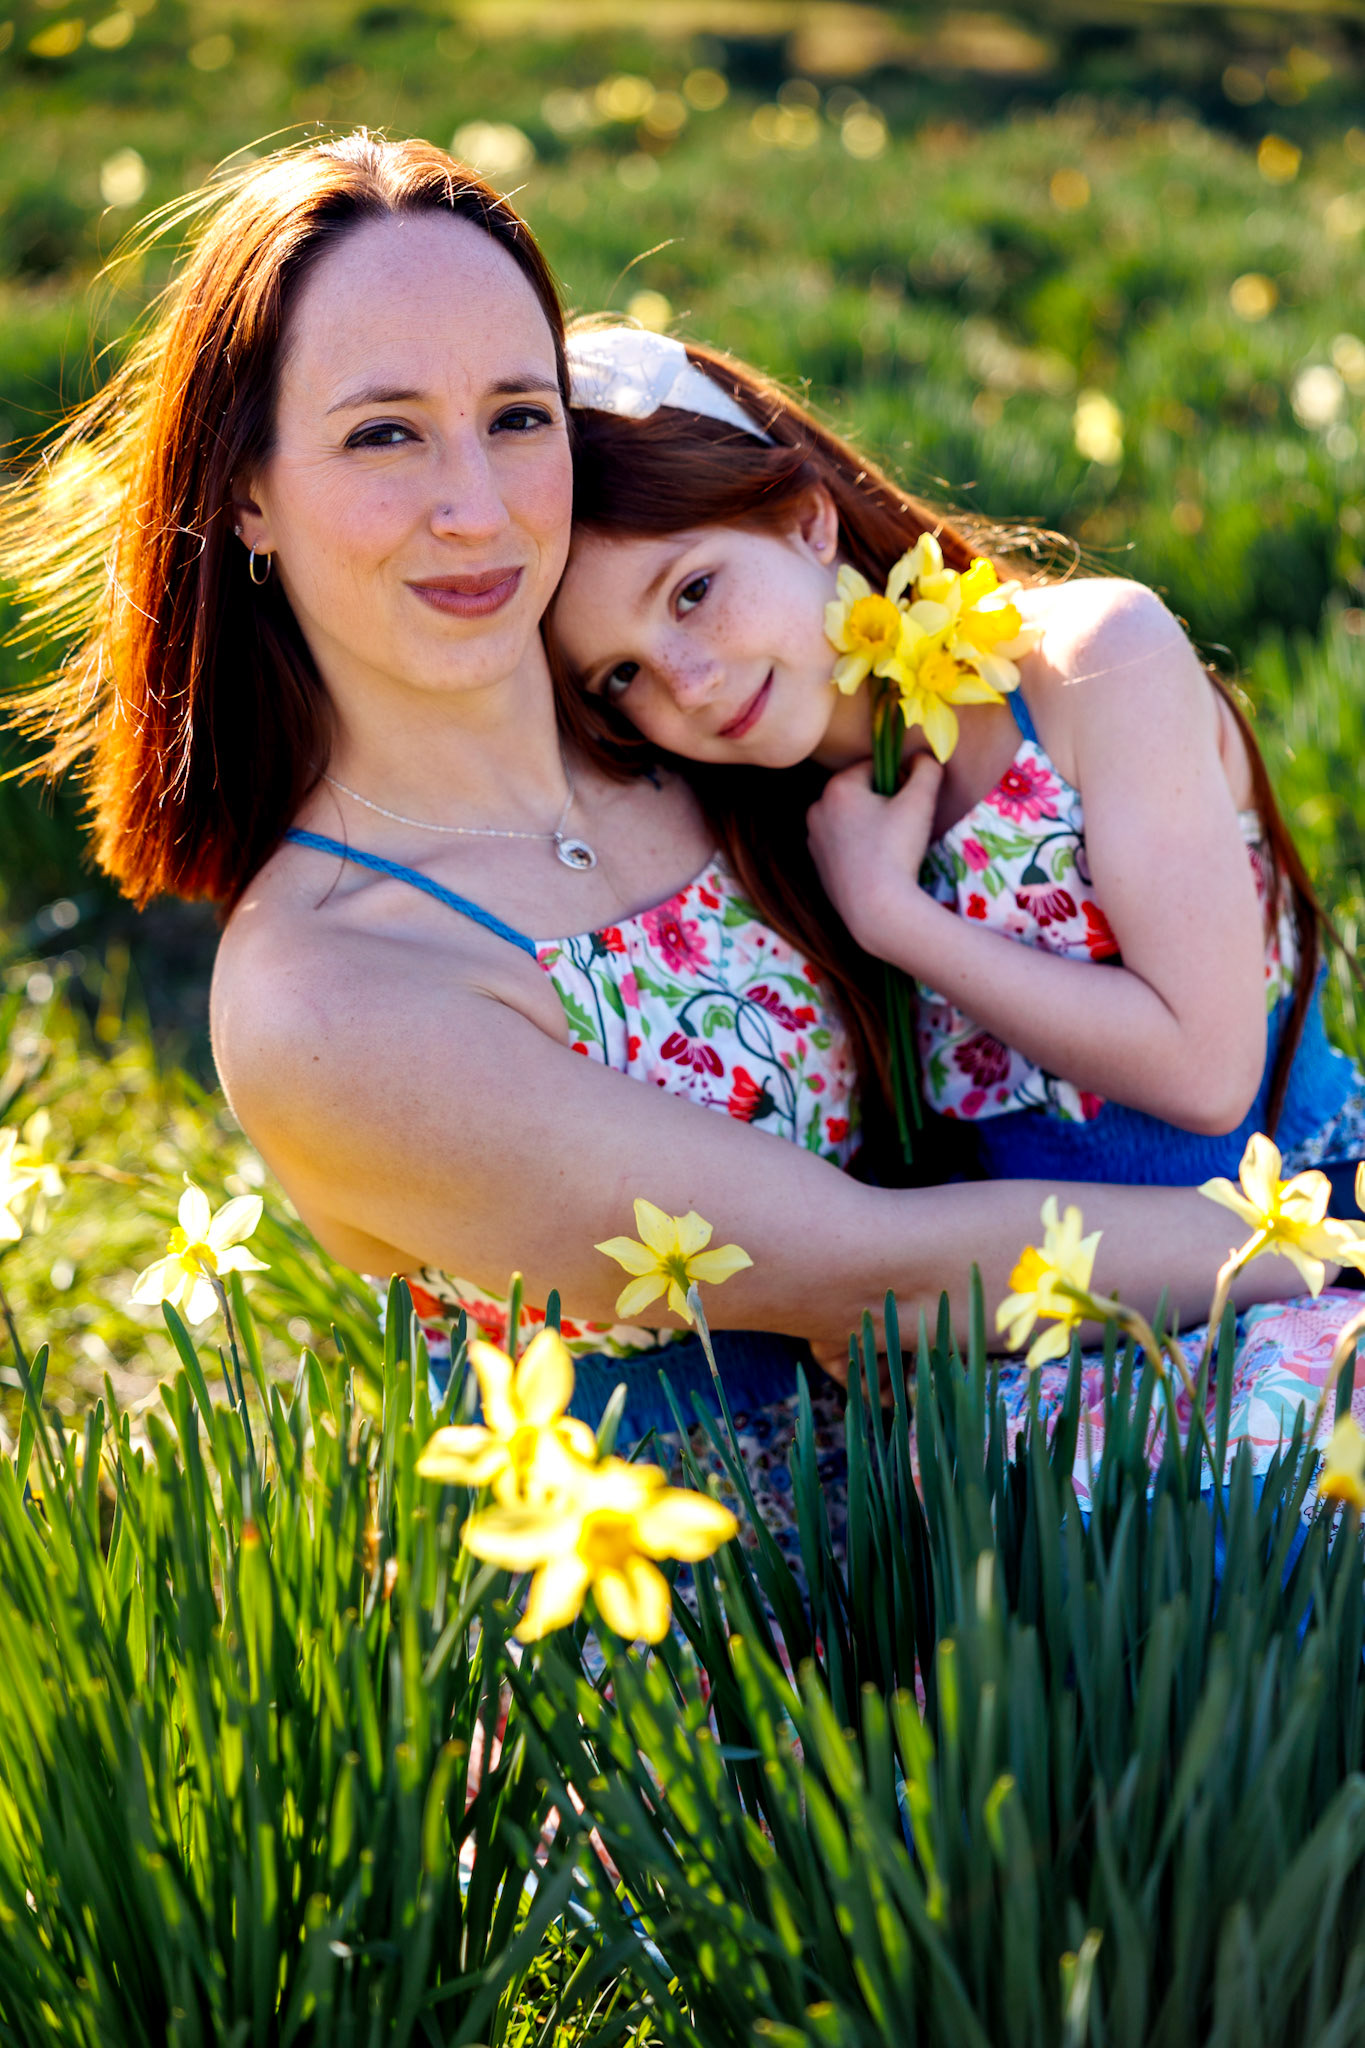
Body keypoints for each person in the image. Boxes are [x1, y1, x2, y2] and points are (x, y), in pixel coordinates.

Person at [0, 134, 1352, 1553]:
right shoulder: (327, 992)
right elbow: (868, 1271)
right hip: (710, 1624)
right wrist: (1317, 1250)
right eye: (382, 433)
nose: (477, 506)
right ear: (245, 492)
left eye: (518, 416)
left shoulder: (708, 746)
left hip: (1009, 1456)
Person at [549, 325, 1365, 1196]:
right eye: (621, 674)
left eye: (692, 592)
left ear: (806, 519)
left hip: (1309, 1222)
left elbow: (1207, 1078)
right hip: (1047, 1281)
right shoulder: (772, 830)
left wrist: (894, 917)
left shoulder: (1086, 664)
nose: (687, 685)